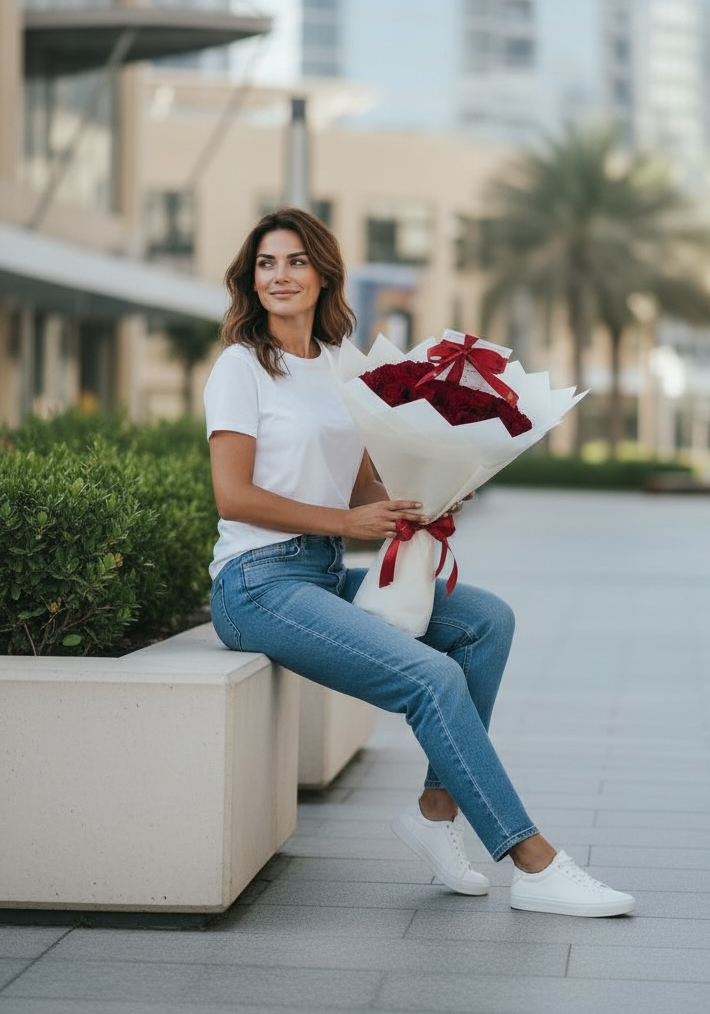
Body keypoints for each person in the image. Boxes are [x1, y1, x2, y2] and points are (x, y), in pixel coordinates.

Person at [204, 208, 635, 917]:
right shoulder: (242, 366)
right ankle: (533, 862)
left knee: (487, 621)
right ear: (251, 280)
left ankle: (435, 815)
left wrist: (428, 494)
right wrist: (349, 522)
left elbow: (355, 485)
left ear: (323, 274)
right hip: (255, 584)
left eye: (296, 262)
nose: (280, 276)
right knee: (431, 678)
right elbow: (234, 494)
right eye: (266, 264)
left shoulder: (337, 367)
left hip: (319, 572)